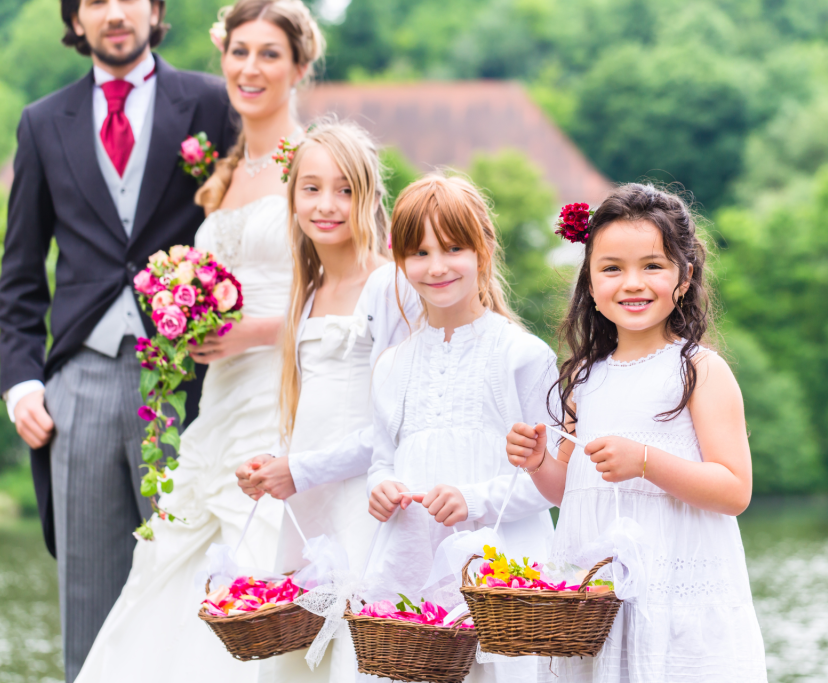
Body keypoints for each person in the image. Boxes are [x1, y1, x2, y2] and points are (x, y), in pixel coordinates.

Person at [72, 1, 325, 681]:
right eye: (239, 52)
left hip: (285, 400)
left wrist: (257, 330)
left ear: (300, 66)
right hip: (215, 403)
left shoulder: (318, 165)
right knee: (168, 564)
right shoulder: (223, 172)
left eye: (270, 54)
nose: (250, 68)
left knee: (263, 573)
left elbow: (360, 295)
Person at [0, 0, 236, 678]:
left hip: (190, 384)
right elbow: (19, 276)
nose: (115, 12)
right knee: (90, 600)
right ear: (76, 22)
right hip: (81, 384)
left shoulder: (214, 105)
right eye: (95, 1)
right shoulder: (42, 123)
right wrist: (22, 384)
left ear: (155, 11)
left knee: (194, 592)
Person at [506, 184, 768, 681]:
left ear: (684, 277)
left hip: (672, 595)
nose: (632, 283)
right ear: (589, 281)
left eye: (652, 266)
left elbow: (735, 490)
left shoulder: (698, 370)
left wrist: (646, 462)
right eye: (612, 268)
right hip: (596, 605)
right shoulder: (583, 379)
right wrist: (540, 461)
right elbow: (571, 490)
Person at [233, 120, 423, 682]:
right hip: (308, 499)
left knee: (357, 649)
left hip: (363, 501)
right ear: (291, 196)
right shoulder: (308, 294)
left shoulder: (390, 287)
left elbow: (397, 426)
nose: (327, 204)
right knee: (299, 653)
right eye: (311, 188)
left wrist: (302, 468)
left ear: (369, 198)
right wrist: (273, 463)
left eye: (345, 189)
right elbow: (309, 410)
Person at [365, 175, 556, 682]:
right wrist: (379, 488)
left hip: (503, 577)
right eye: (419, 252)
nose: (436, 266)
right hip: (414, 574)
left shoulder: (522, 355)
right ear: (400, 261)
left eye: (454, 248)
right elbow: (382, 458)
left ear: (484, 248)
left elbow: (552, 483)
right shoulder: (390, 365)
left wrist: (474, 500)